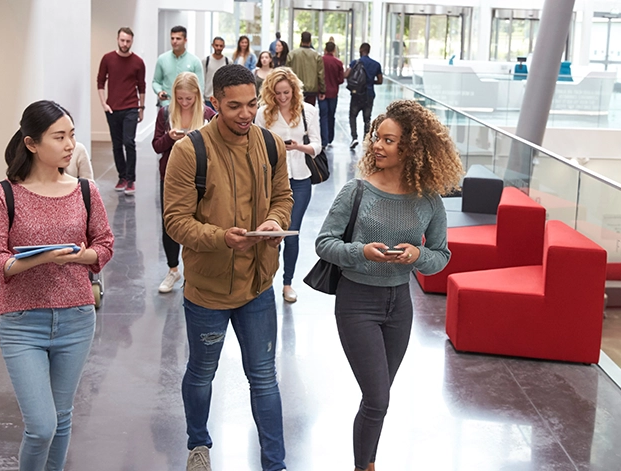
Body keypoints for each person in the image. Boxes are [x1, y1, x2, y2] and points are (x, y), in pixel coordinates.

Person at [314, 99, 463, 471]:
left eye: (388, 140)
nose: (377, 146)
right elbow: (324, 243)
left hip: (399, 304)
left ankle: (367, 462)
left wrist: (417, 256)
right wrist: (361, 251)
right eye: (377, 138)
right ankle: (364, 466)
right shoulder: (357, 191)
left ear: (410, 148)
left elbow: (441, 256)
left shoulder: (428, 200)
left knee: (378, 398)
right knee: (378, 399)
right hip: (357, 301)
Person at [163, 64, 292, 471]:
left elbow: (283, 197)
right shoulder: (189, 151)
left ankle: (275, 464)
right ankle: (198, 445)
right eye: (234, 106)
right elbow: (176, 221)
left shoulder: (272, 145)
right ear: (214, 103)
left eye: (252, 103)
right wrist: (221, 237)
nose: (245, 113)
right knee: (201, 374)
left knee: (264, 378)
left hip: (257, 286)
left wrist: (275, 223)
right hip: (208, 290)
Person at [0, 100, 115, 471]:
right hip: (22, 321)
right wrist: (42, 257)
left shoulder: (85, 190)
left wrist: (80, 257)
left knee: (61, 419)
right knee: (42, 426)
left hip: (76, 317)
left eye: (71, 135)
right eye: (59, 137)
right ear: (31, 144)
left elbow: (104, 244)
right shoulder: (2, 194)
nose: (70, 144)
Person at [255, 68, 321, 303]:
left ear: (294, 90)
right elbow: (257, 145)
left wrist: (298, 147)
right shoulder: (263, 113)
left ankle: (287, 283)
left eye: (286, 92)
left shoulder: (308, 111)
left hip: (301, 179)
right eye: (278, 93)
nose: (283, 97)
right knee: (270, 232)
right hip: (272, 179)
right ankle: (265, 281)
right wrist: (276, 149)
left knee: (291, 233)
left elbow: (317, 146)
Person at [153, 72, 216, 294]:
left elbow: (218, 146)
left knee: (199, 222)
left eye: (189, 99)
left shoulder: (208, 114)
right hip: (171, 176)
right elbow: (157, 146)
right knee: (170, 223)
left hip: (202, 176)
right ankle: (173, 269)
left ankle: (194, 270)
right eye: (180, 99)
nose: (184, 103)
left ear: (197, 96)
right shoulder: (165, 113)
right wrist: (170, 137)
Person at [97, 26, 146, 195]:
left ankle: (131, 179)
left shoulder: (138, 62)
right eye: (122, 40)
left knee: (129, 142)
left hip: (131, 107)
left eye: (128, 41)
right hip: (112, 109)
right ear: (117, 39)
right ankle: (122, 177)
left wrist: (141, 108)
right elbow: (100, 81)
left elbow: (142, 86)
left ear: (132, 41)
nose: (125, 44)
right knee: (117, 145)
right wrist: (104, 103)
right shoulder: (107, 59)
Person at [152, 25, 204, 109]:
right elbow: (156, 81)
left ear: (185, 40)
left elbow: (200, 86)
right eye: (172, 38)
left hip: (187, 106)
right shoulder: (162, 59)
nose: (174, 41)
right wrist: (159, 92)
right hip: (167, 105)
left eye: (178, 39)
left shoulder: (195, 61)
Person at [347, 42, 383, 150]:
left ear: (360, 50)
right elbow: (380, 81)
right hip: (369, 94)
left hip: (356, 94)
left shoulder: (355, 63)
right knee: (367, 119)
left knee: (353, 116)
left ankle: (354, 138)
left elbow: (346, 74)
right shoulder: (376, 64)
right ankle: (366, 140)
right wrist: (370, 82)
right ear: (369, 50)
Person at [286, 31, 324, 105]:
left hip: (296, 87)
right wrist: (322, 90)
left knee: (296, 111)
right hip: (311, 90)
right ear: (310, 41)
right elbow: (320, 74)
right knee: (309, 113)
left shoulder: (292, 54)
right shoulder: (316, 56)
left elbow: (287, 72)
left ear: (301, 40)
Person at [318, 41, 345, 147]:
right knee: (331, 115)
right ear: (334, 50)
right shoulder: (338, 63)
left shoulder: (320, 60)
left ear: (325, 49)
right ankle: (330, 138)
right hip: (333, 92)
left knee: (323, 115)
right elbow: (341, 80)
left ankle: (323, 139)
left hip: (321, 92)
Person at [203, 36, 230, 110]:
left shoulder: (228, 61)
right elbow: (202, 79)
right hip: (208, 97)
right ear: (212, 45)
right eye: (216, 45)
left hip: (222, 98)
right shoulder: (206, 60)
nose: (218, 48)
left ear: (224, 47)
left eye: (221, 46)